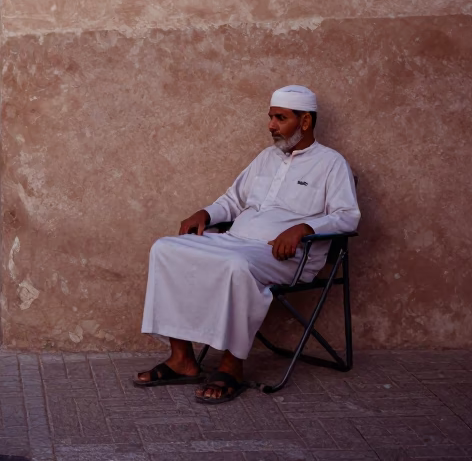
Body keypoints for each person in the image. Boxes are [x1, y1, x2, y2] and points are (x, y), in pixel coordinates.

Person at [136, 85, 360, 404]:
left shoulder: (331, 164)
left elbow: (347, 217)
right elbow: (233, 200)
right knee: (166, 249)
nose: (271, 125)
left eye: (280, 118)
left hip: (287, 254)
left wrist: (305, 227)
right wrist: (206, 212)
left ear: (305, 122)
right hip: (235, 241)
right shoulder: (266, 158)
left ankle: (231, 366)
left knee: (236, 266)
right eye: (271, 117)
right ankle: (181, 359)